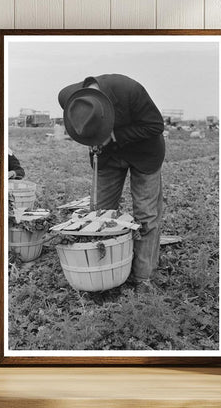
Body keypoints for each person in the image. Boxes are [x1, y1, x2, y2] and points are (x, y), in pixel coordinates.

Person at [58, 74, 164, 292]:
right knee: (99, 213)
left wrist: (114, 136)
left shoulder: (129, 90)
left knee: (146, 214)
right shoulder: (69, 97)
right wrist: (96, 140)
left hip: (145, 154)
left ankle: (142, 276)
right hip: (107, 156)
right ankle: (104, 269)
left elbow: (156, 125)